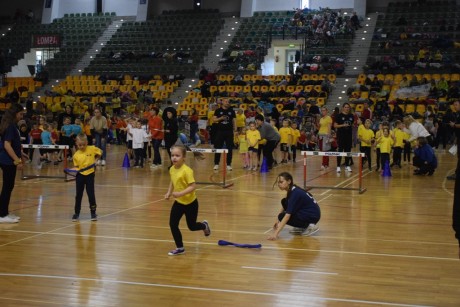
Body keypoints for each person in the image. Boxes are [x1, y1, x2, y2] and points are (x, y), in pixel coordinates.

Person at [164, 145, 211, 256]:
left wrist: (180, 193)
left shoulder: (187, 171)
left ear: (184, 157)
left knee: (192, 226)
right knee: (173, 224)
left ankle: (204, 226)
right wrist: (169, 192)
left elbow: (193, 186)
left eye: (177, 156)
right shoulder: (172, 169)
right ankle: (180, 248)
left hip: (191, 203)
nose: (174, 158)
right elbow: (172, 181)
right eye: (172, 155)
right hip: (179, 203)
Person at [268, 172, 321, 240]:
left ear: (289, 181)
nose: (279, 184)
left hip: (312, 215)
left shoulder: (294, 193)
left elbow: (287, 216)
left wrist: (275, 234)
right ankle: (302, 226)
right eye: (278, 182)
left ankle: (309, 226)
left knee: (282, 216)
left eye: (281, 182)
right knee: (284, 202)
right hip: (311, 213)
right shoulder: (293, 189)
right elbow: (285, 206)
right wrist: (277, 220)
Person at [0, 104, 25, 223]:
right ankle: (2, 215)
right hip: (7, 161)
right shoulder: (10, 126)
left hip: (8, 160)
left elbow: (13, 144)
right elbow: (6, 145)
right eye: (20, 114)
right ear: (15, 114)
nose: (22, 116)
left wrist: (21, 154)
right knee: (7, 187)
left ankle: (4, 212)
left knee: (8, 186)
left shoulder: (11, 125)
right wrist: (17, 160)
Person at [71, 133, 102, 222]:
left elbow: (100, 152)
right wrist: (73, 170)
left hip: (90, 175)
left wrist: (96, 160)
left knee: (91, 194)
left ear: (87, 142)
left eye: (84, 144)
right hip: (80, 176)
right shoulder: (76, 155)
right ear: (76, 143)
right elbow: (77, 167)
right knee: (78, 195)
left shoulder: (92, 148)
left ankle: (93, 212)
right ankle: (76, 213)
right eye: (80, 145)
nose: (82, 146)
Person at [212, 99, 236, 171]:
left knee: (229, 148)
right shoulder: (218, 110)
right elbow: (214, 120)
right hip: (220, 131)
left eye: (228, 102)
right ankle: (216, 164)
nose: (227, 102)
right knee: (218, 147)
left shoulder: (231, 111)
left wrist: (235, 129)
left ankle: (228, 164)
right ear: (222, 102)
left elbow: (234, 120)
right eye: (226, 101)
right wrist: (221, 118)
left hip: (229, 132)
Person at [334, 103, 355, 173]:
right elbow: (335, 125)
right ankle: (338, 166)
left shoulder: (351, 116)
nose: (347, 108)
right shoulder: (339, 116)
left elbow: (352, 125)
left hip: (348, 137)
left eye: (348, 107)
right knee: (340, 151)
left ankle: (347, 165)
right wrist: (343, 125)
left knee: (348, 151)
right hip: (341, 136)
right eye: (345, 107)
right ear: (343, 108)